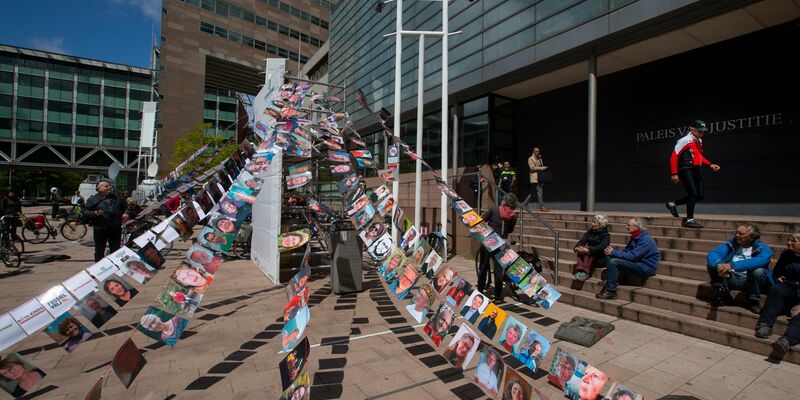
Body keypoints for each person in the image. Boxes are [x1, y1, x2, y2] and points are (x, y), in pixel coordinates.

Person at [665, 120, 721, 229]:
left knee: (699, 195)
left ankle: (673, 204)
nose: (702, 133)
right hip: (685, 169)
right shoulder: (685, 140)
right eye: (699, 131)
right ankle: (689, 220)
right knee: (693, 193)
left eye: (703, 131)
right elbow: (674, 156)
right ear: (692, 129)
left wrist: (710, 164)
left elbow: (699, 156)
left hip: (695, 169)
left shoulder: (699, 140)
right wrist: (674, 173)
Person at [707, 223, 773, 312]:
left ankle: (753, 301)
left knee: (758, 271)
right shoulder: (732, 244)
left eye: (741, 234)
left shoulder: (762, 248)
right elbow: (714, 253)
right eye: (736, 232)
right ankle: (723, 295)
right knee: (713, 265)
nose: (737, 235)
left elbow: (759, 261)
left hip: (750, 281)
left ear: (751, 237)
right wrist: (719, 265)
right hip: (731, 277)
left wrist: (731, 265)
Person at [755, 233, 800, 354]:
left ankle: (786, 340)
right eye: (788, 240)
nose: (789, 243)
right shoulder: (786, 254)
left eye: (793, 241)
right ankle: (765, 324)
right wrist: (777, 278)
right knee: (776, 289)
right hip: (790, 286)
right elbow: (776, 272)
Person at [596, 217, 659, 300]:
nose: (626, 227)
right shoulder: (635, 237)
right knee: (611, 252)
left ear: (636, 227)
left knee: (614, 261)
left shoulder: (646, 240)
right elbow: (626, 252)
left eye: (628, 225)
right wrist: (613, 251)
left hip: (645, 267)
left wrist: (614, 252)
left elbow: (632, 256)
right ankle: (610, 279)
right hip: (637, 263)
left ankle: (611, 291)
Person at [477, 194, 518, 302]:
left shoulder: (494, 209)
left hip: (488, 240)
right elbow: (510, 230)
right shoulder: (514, 216)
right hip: (501, 244)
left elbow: (481, 220)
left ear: (504, 201)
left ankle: (480, 291)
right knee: (499, 270)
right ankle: (498, 297)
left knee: (483, 266)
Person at [85, 180, 127, 261]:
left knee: (115, 250)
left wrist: (126, 213)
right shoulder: (92, 199)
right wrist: (95, 213)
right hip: (100, 228)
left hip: (115, 227)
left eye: (109, 186)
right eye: (106, 186)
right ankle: (99, 266)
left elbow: (126, 207)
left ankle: (114, 265)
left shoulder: (117, 197)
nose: (109, 187)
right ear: (99, 189)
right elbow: (86, 212)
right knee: (99, 250)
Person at [573, 215, 611, 280]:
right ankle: (580, 269)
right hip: (589, 256)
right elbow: (582, 241)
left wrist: (588, 250)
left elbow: (601, 247)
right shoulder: (590, 232)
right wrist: (577, 247)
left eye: (594, 222)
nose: (592, 224)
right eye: (592, 222)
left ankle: (585, 272)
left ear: (600, 224)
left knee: (587, 250)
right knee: (582, 248)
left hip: (599, 258)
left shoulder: (605, 235)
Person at [527, 147, 549, 211]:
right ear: (533, 152)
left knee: (532, 193)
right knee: (540, 191)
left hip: (539, 177)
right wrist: (542, 168)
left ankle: (523, 205)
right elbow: (532, 168)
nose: (538, 152)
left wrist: (541, 162)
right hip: (535, 178)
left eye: (538, 151)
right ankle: (542, 207)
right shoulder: (530, 158)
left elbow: (541, 166)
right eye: (536, 151)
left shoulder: (539, 159)